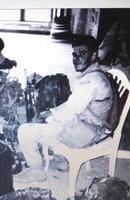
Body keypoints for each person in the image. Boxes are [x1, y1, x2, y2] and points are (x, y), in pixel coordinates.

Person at [14, 35, 117, 183]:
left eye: (82, 54)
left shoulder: (89, 82)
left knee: (25, 130)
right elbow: (73, 106)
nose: (77, 58)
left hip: (86, 133)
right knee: (52, 116)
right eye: (74, 55)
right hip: (93, 125)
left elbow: (68, 113)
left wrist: (43, 116)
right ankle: (61, 161)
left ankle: (36, 171)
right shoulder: (97, 73)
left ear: (94, 55)